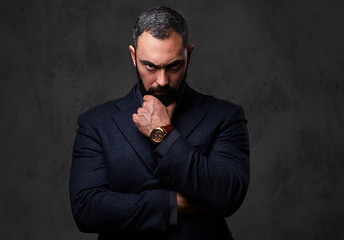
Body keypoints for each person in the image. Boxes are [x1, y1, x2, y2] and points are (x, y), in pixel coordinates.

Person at [69, 6, 249, 240]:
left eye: (174, 66)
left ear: (189, 56)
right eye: (150, 66)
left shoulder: (225, 116)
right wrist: (171, 204)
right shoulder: (97, 123)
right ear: (133, 57)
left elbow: (228, 195)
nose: (162, 81)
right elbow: (86, 209)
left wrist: (162, 134)